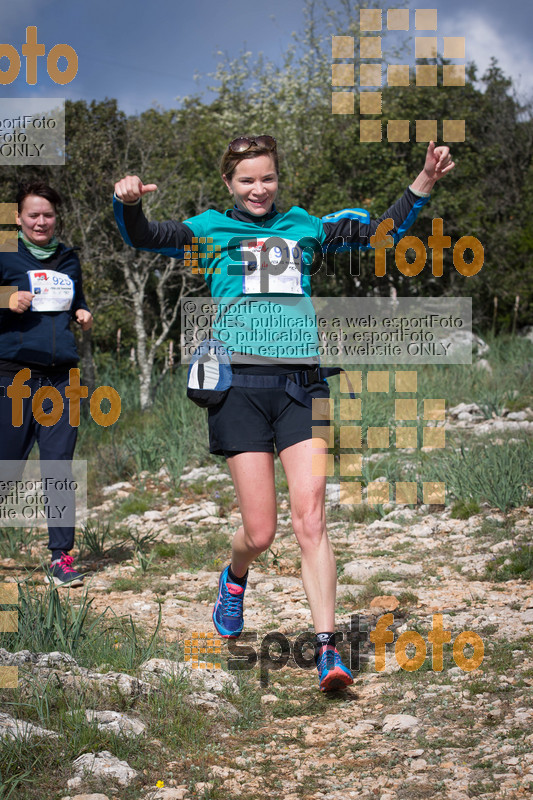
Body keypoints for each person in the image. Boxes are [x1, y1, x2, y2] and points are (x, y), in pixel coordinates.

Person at [113, 136, 454, 690]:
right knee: (262, 531)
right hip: (238, 391)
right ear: (229, 184)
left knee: (311, 518)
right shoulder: (207, 231)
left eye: (267, 178)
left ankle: (328, 651)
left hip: (302, 387)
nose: (258, 188)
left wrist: (423, 183)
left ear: (277, 179)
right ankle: (234, 575)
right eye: (247, 180)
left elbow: (378, 236)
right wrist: (128, 203)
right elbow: (145, 236)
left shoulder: (305, 226)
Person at [0, 181, 93, 587]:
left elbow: (77, 299)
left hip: (61, 378)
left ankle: (61, 557)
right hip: (14, 376)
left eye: (48, 214)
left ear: (56, 218)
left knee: (59, 466)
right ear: (18, 218)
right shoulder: (5, 252)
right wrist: (5, 299)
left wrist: (83, 311)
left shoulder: (68, 257)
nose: (41, 221)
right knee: (8, 466)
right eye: (33, 214)